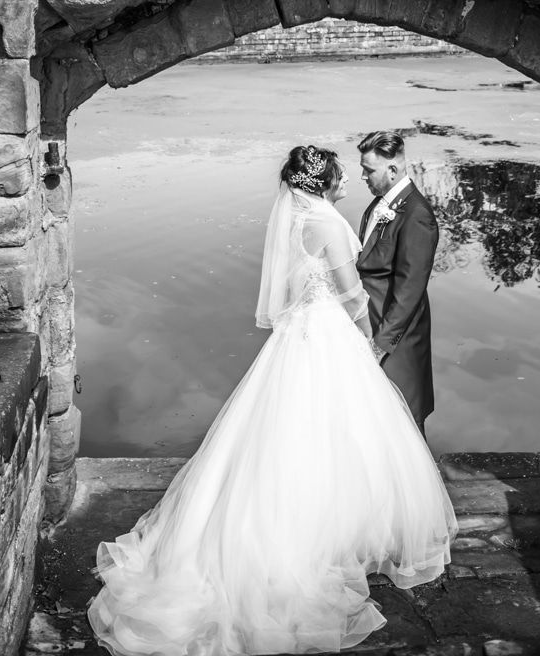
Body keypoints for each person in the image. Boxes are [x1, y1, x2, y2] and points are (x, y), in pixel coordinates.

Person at [87, 144, 457, 656]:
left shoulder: (295, 219)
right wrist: (370, 342)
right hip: (328, 335)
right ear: (323, 182)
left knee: (285, 433)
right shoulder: (327, 222)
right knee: (342, 431)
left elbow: (292, 288)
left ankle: (317, 525)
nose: (350, 182)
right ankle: (323, 535)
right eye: (342, 176)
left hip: (296, 336)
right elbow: (351, 294)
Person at [357, 131, 439, 439]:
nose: (363, 176)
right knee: (374, 418)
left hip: (396, 339)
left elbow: (410, 291)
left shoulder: (417, 215)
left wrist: (380, 344)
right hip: (369, 324)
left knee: (402, 420)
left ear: (393, 170)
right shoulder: (379, 205)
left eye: (369, 170)